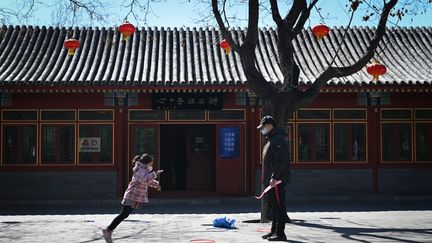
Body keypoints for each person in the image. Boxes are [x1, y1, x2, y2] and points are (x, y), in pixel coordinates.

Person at [102, 153, 163, 243]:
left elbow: (146, 181)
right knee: (123, 214)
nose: (152, 166)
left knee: (124, 214)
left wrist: (156, 185)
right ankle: (108, 230)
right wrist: (155, 174)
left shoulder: (143, 170)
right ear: (146, 163)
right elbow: (144, 180)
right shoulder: (140, 170)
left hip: (135, 196)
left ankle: (108, 230)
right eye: (151, 164)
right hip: (132, 195)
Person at [257, 115, 291, 241]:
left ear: (270, 126)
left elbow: (281, 161)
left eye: (263, 127)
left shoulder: (278, 140)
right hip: (270, 182)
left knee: (279, 207)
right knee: (273, 207)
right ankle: (273, 231)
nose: (262, 130)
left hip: (276, 181)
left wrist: (274, 178)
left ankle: (281, 233)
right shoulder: (272, 140)